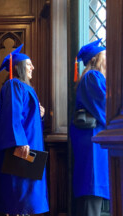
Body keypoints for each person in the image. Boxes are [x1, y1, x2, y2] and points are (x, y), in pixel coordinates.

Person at [0, 44, 49, 215]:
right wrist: (19, 141)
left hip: (30, 147)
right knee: (20, 197)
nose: (32, 67)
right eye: (29, 64)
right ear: (19, 67)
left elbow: (25, 116)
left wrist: (39, 115)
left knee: (29, 198)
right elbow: (13, 115)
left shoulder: (25, 87)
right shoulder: (14, 85)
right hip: (20, 149)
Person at [70, 39, 109, 216]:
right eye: (105, 55)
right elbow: (106, 104)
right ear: (96, 59)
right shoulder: (93, 77)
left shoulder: (90, 78)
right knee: (92, 193)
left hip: (94, 140)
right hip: (93, 142)